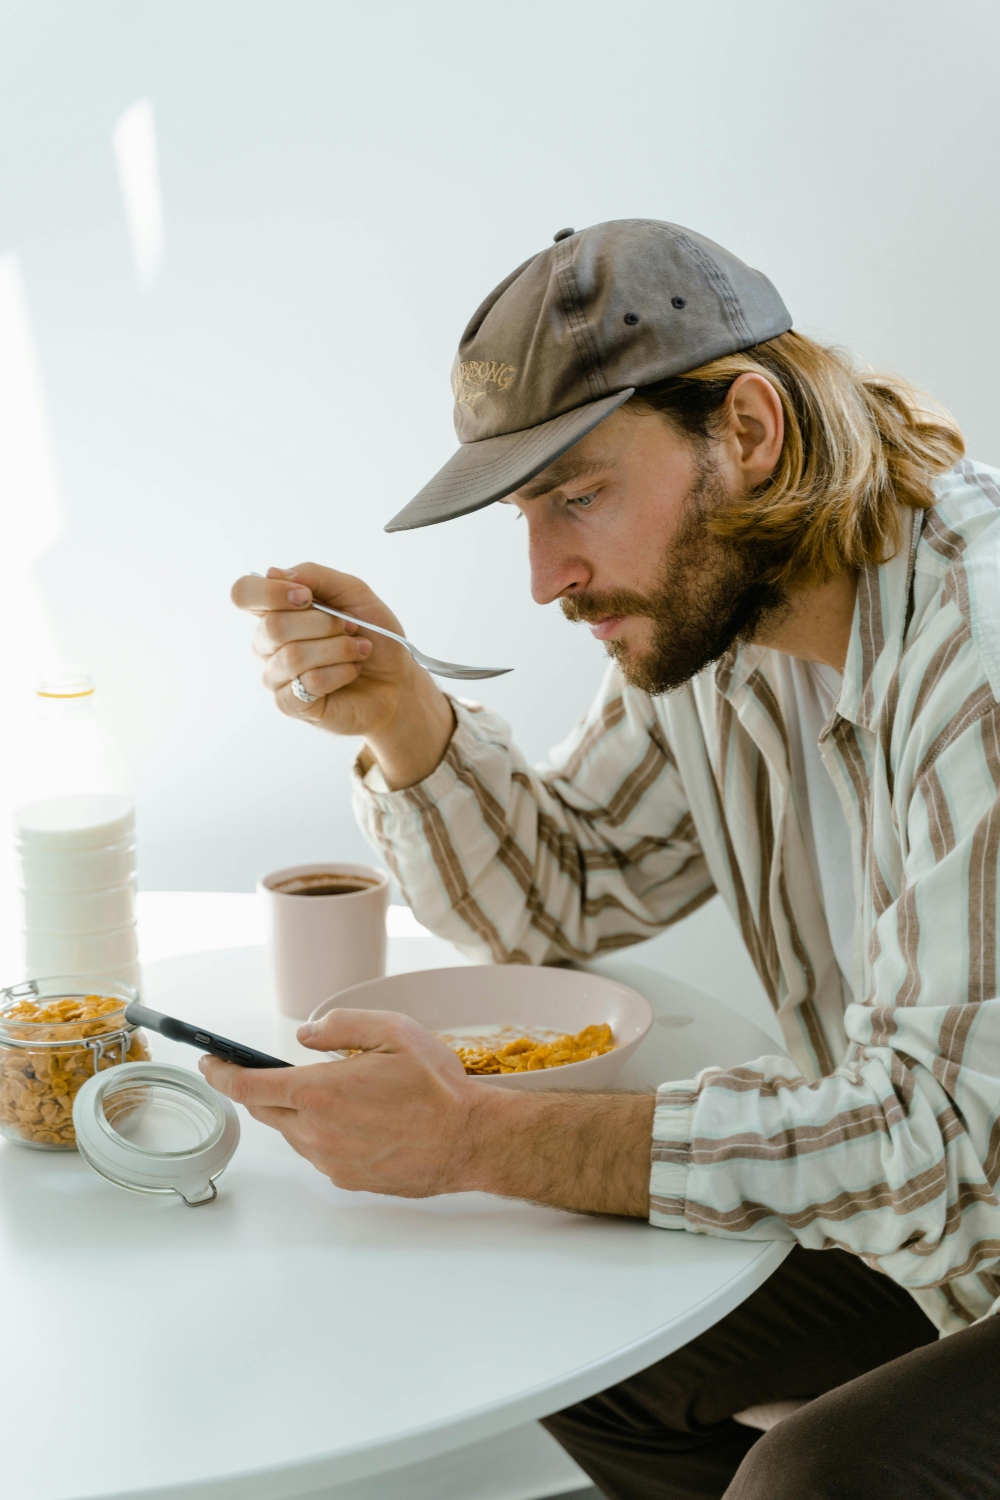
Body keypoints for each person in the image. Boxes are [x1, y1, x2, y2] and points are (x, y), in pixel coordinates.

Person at [215, 221, 1000, 1499]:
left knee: (820, 1476)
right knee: (583, 1348)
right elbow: (573, 888)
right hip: (938, 1219)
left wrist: (484, 1140)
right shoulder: (728, 622)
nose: (545, 577)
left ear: (747, 431)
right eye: (527, 513)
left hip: (977, 1207)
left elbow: (949, 1151)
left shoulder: (977, 658)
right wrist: (403, 718)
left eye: (577, 497)